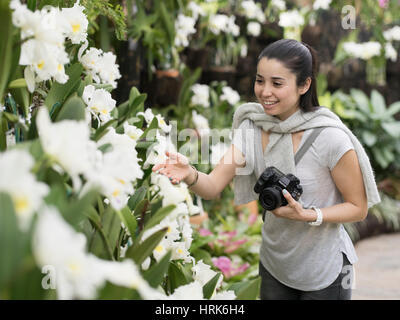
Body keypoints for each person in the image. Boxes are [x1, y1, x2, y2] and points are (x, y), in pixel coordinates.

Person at [152, 39, 381, 300]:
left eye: (277, 83)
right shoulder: (252, 128)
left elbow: (357, 208)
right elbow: (213, 186)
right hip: (275, 266)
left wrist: (308, 215)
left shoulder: (329, 137)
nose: (265, 91)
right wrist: (190, 173)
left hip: (323, 271)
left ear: (304, 84)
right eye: (260, 81)